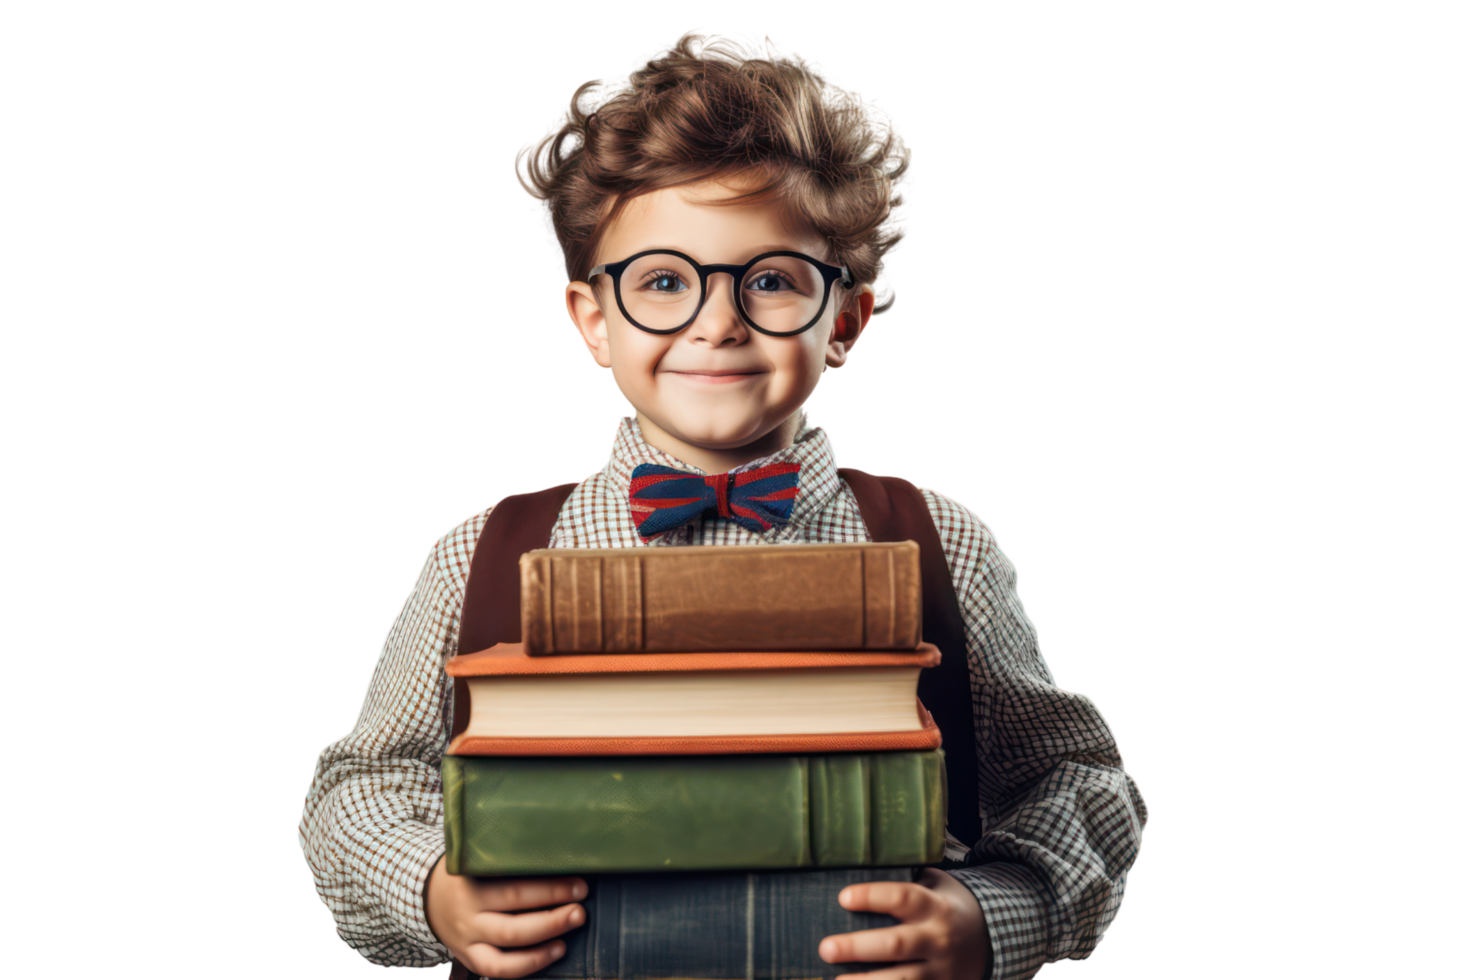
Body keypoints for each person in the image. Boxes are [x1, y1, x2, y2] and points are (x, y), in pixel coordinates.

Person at [295, 28, 1149, 980]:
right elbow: (356, 789)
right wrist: (435, 888)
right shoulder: (478, 553)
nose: (716, 320)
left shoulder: (942, 538)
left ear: (846, 322)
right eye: (663, 280)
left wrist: (993, 915)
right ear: (592, 322)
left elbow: (1077, 781)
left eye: (771, 281)